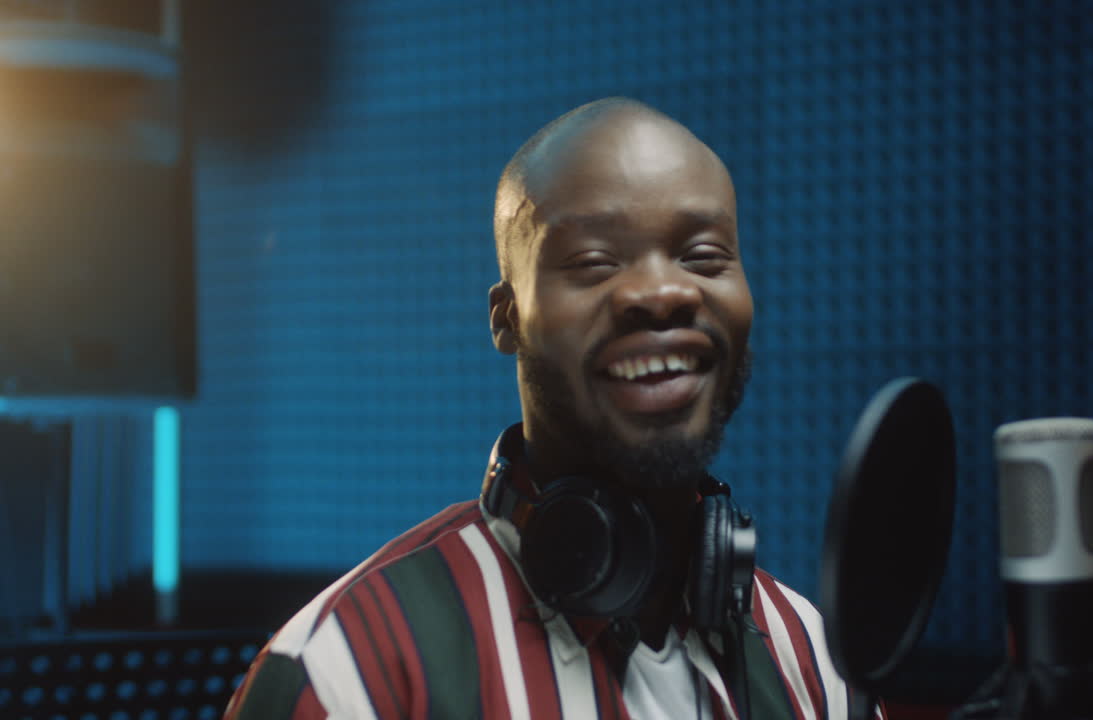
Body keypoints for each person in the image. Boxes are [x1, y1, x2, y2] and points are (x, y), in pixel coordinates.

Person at [224, 97, 864, 719]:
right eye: (593, 261)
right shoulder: (350, 675)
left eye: (702, 257)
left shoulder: (815, 659)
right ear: (507, 318)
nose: (664, 292)